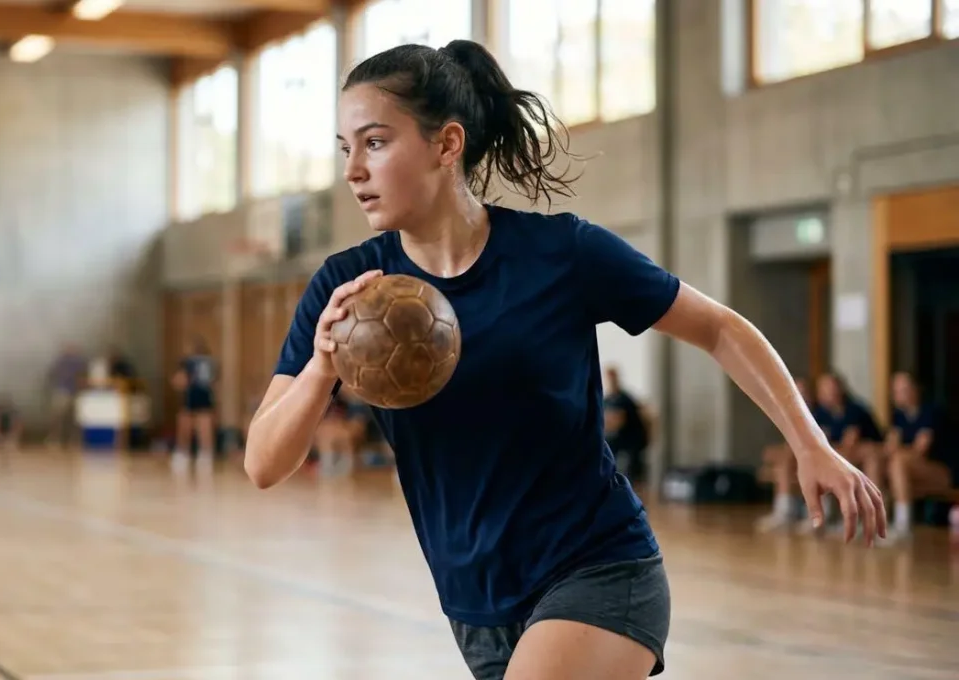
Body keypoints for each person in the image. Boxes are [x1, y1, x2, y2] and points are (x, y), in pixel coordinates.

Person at [241, 40, 886, 680]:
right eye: (345, 148)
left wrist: (810, 442)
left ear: (446, 144)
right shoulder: (344, 287)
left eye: (375, 142)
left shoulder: (560, 253)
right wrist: (324, 366)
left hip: (597, 567)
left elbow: (718, 328)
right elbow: (264, 463)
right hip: (475, 606)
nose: (353, 169)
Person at [760, 372, 882, 534]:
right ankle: (785, 513)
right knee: (790, 456)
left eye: (831, 389)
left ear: (841, 389)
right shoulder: (820, 413)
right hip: (839, 457)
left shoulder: (855, 411)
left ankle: (830, 516)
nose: (828, 394)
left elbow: (850, 445)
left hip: (868, 459)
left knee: (827, 460)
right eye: (824, 390)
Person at [864, 372, 956, 544]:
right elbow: (889, 447)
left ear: (916, 390)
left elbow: (919, 450)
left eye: (903, 389)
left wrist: (896, 449)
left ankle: (902, 526)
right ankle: (875, 520)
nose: (898, 394)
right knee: (876, 458)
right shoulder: (898, 415)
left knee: (898, 461)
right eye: (896, 390)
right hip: (912, 472)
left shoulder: (932, 411)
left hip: (943, 473)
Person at [171, 337, 217, 474]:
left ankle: (182, 453)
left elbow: (181, 381)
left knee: (185, 426)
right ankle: (206, 455)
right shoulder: (210, 362)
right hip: (206, 397)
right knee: (205, 427)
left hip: (191, 397)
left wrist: (177, 382)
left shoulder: (188, 362)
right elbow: (214, 381)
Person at [602, 367, 649, 482]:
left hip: (630, 440)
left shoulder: (624, 399)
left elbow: (617, 422)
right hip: (617, 439)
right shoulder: (607, 399)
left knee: (631, 471)